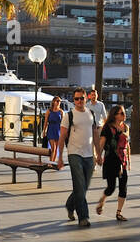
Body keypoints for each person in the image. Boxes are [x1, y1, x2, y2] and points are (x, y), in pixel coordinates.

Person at [60, 87, 101, 227]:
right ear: (73, 100)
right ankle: (83, 217)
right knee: (79, 184)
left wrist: (99, 154)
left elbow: (95, 134)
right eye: (76, 99)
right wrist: (59, 157)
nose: (79, 101)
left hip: (89, 155)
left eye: (81, 98)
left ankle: (70, 205)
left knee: (83, 187)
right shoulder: (69, 116)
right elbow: (62, 137)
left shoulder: (91, 114)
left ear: (86, 98)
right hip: (74, 153)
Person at [95, 106, 130, 220]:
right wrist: (98, 156)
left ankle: (119, 213)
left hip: (122, 160)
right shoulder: (108, 127)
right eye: (121, 113)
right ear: (115, 115)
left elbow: (127, 144)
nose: (124, 115)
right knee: (111, 187)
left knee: (123, 187)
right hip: (111, 159)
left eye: (124, 113)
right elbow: (102, 142)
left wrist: (129, 160)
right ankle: (102, 200)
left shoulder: (126, 127)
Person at [44, 97, 65, 165]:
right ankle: (50, 163)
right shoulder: (49, 111)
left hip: (58, 130)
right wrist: (44, 131)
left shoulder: (61, 112)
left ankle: (52, 162)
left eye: (59, 101)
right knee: (53, 147)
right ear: (53, 102)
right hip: (51, 129)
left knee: (56, 148)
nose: (58, 102)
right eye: (57, 101)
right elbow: (45, 122)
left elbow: (63, 123)